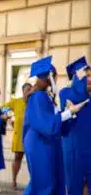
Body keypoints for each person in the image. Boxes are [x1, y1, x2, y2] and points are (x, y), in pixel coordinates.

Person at [22, 56, 87, 195]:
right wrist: (69, 112)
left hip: (47, 143)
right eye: (55, 77)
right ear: (49, 78)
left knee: (49, 182)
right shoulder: (38, 96)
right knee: (44, 184)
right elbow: (44, 123)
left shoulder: (47, 97)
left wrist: (70, 113)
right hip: (39, 144)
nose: (56, 80)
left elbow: (56, 122)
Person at [59, 56, 91, 195]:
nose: (89, 79)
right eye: (87, 75)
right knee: (74, 186)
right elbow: (78, 97)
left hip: (88, 148)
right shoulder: (65, 93)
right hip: (74, 149)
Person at [1, 83, 32, 189]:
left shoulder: (33, 102)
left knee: (32, 159)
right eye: (27, 90)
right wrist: (10, 118)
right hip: (19, 135)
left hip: (31, 136)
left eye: (30, 90)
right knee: (17, 157)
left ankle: (34, 182)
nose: (29, 92)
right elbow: (3, 108)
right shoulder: (16, 101)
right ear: (23, 91)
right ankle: (14, 180)